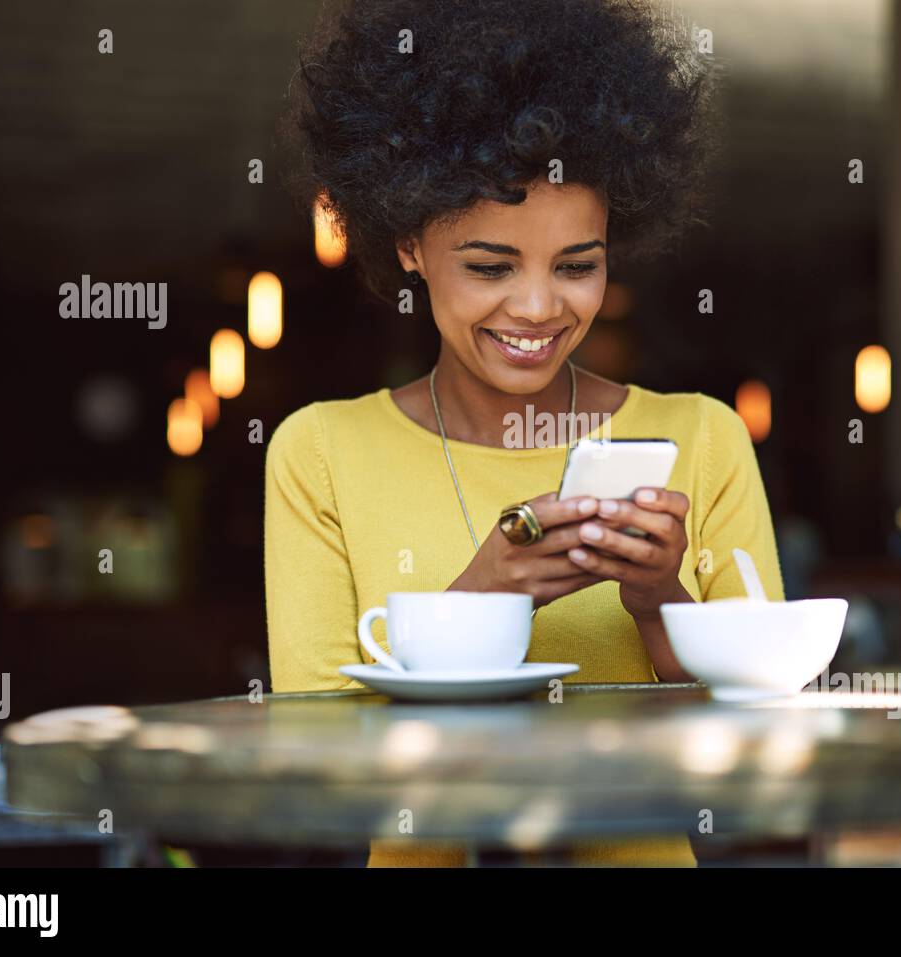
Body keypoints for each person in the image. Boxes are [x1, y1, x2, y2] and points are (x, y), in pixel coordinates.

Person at [266, 0, 784, 867]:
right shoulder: (319, 455)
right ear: (407, 244)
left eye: (578, 265)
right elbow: (319, 775)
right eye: (489, 266)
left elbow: (754, 755)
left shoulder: (701, 436)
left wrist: (660, 598)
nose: (539, 308)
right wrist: (481, 598)